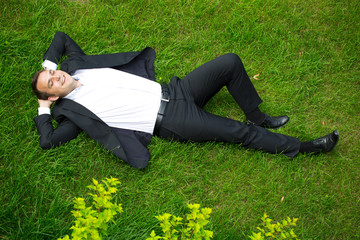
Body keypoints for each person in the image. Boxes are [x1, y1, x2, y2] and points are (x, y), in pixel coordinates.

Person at [32, 32, 339, 169]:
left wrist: (48, 64)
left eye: (52, 74)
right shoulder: (72, 114)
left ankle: (259, 117)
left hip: (176, 90)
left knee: (229, 62)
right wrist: (44, 110)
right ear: (53, 94)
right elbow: (48, 142)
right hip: (173, 121)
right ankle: (303, 147)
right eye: (50, 84)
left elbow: (61, 37)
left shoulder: (76, 65)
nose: (56, 78)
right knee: (236, 133)